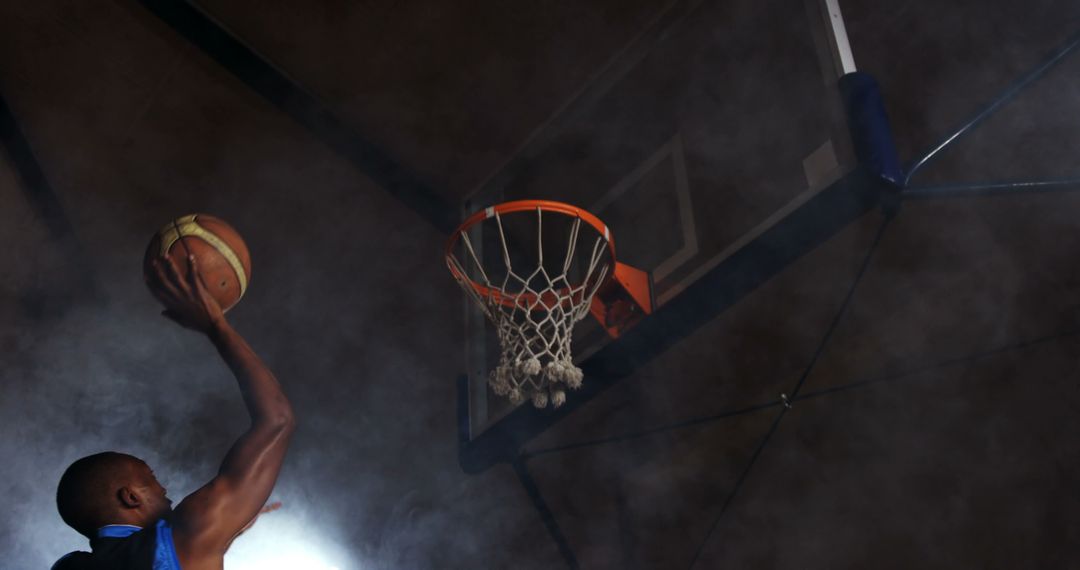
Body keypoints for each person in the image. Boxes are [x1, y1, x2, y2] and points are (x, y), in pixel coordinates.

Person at [52, 254, 296, 570]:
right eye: (150, 480)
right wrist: (215, 326)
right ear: (130, 497)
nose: (164, 489)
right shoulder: (182, 536)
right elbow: (276, 420)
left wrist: (224, 526)